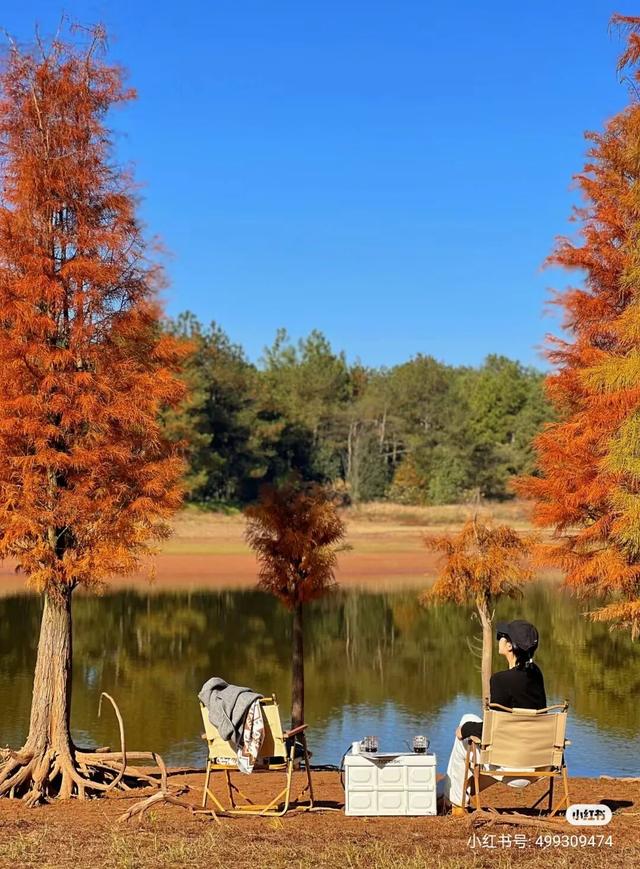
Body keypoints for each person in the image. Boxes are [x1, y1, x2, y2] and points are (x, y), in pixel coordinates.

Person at [439, 619, 546, 814]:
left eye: (502, 637)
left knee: (463, 739)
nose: (499, 640)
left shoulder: (501, 681)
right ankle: (451, 794)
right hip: (537, 762)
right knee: (467, 717)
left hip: (512, 767)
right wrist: (468, 725)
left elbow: (493, 731)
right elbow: (502, 725)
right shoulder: (536, 674)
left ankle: (453, 803)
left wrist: (465, 730)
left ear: (510, 646)